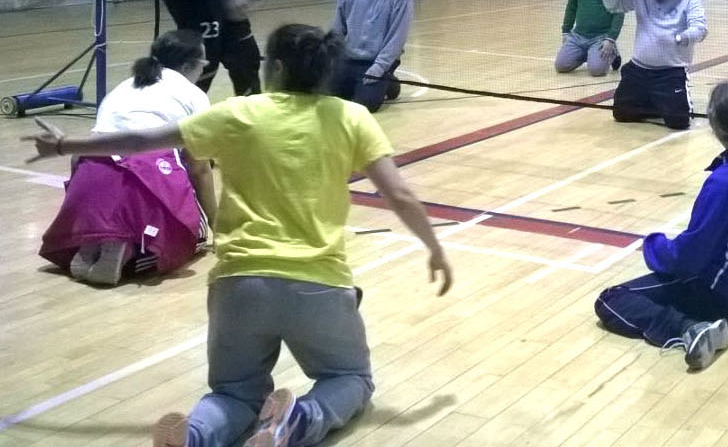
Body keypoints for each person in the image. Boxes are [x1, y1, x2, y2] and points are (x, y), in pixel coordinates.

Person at [26, 23, 453, 447]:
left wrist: (65, 145)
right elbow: (398, 193)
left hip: (238, 283)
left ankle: (193, 436)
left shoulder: (238, 112)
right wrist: (434, 248)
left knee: (234, 393)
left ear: (278, 68)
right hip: (318, 283)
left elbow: (143, 140)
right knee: (350, 379)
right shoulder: (352, 118)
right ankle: (298, 421)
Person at [594, 81, 728, 371]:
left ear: (715, 126)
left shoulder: (727, 182)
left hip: (727, 295)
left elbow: (688, 258)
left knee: (612, 300)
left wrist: (654, 247)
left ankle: (691, 329)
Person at [39, 30, 215, 286]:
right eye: (204, 65)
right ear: (190, 65)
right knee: (194, 235)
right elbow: (200, 169)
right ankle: (129, 249)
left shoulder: (123, 87)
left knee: (112, 189)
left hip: (91, 173)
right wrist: (215, 223)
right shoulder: (194, 95)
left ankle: (95, 238)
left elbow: (77, 160)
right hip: (146, 173)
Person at [603, 0, 707, 130]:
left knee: (680, 122)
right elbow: (614, 5)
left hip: (671, 72)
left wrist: (682, 37)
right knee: (621, 114)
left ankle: (661, 102)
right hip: (639, 69)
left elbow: (700, 29)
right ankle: (656, 103)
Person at [328, 0, 414, 112]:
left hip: (378, 60)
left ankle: (388, 81)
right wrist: (331, 57)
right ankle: (386, 83)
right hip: (350, 57)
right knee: (330, 97)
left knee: (365, 105)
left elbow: (397, 39)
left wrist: (379, 68)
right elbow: (338, 27)